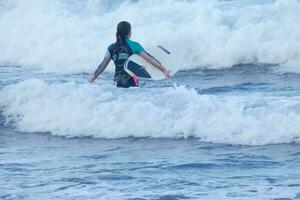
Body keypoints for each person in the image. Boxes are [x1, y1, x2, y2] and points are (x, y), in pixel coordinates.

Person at [89, 21, 170, 88]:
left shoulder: (111, 47)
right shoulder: (134, 45)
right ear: (129, 32)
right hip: (132, 84)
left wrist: (92, 79)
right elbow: (149, 59)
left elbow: (102, 66)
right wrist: (163, 69)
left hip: (117, 84)